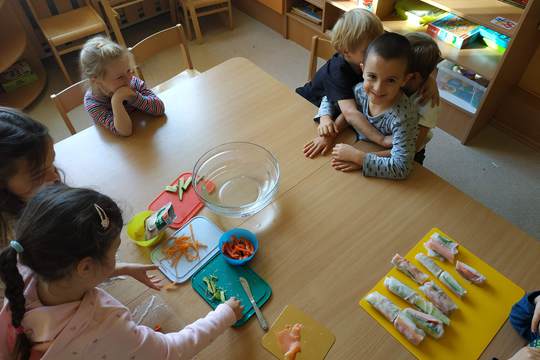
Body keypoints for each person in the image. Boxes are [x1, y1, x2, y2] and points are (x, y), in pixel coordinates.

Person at [0, 184, 244, 359]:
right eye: (115, 252)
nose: (117, 257)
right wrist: (224, 315)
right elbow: (171, 352)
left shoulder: (24, 263)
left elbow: (69, 278)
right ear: (85, 267)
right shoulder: (104, 326)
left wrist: (120, 269)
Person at [316, 32, 419, 179]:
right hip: (350, 146)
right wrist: (325, 118)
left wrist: (360, 158)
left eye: (390, 80)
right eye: (372, 76)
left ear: (404, 80)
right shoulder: (360, 90)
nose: (378, 88)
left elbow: (401, 167)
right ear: (363, 70)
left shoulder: (404, 117)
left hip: (369, 159)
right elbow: (331, 97)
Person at [81, 36, 165, 136]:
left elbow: (159, 109)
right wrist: (116, 101)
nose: (129, 78)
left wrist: (135, 97)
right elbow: (125, 131)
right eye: (120, 77)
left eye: (129, 70)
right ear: (97, 80)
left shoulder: (133, 82)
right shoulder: (93, 103)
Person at [0, 107, 60, 248]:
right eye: (38, 174)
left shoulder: (40, 184)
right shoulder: (9, 237)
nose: (55, 176)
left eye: (52, 162)